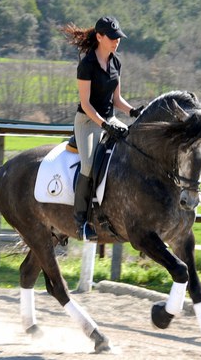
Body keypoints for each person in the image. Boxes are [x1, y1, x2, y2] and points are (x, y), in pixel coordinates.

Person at [62, 16, 144, 241]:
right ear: (99, 37)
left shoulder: (116, 62)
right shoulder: (87, 64)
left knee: (133, 146)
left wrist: (133, 112)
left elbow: (117, 99)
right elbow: (86, 104)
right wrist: (105, 125)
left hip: (110, 118)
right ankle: (81, 222)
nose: (117, 41)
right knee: (88, 165)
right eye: (113, 37)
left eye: (119, 38)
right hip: (88, 122)